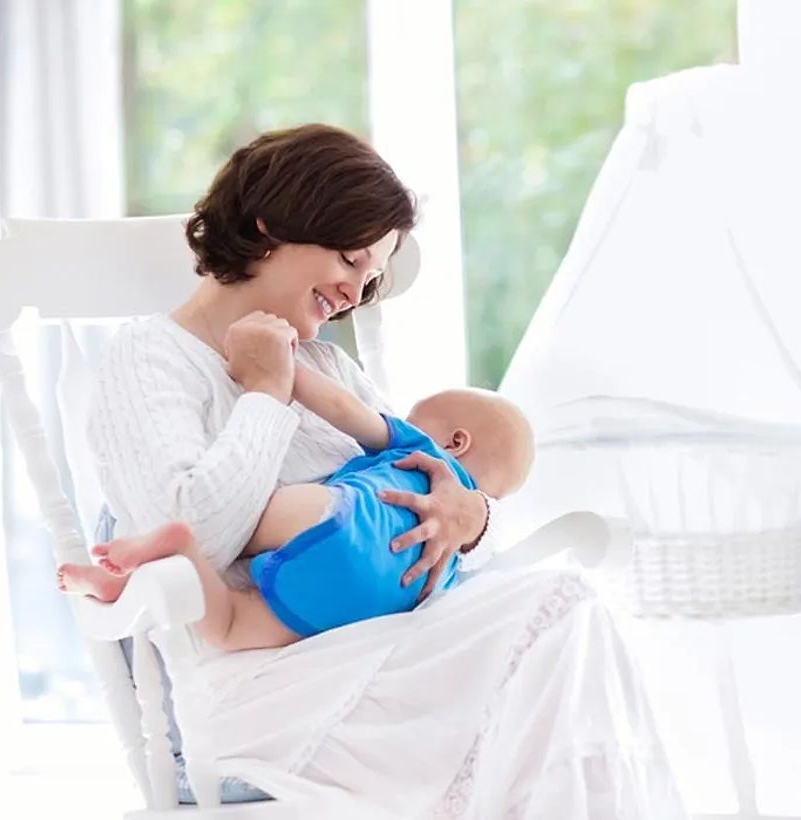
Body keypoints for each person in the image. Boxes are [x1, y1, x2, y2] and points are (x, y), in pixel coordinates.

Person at [85, 124, 685, 817]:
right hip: (261, 679)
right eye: (349, 258)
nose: (354, 291)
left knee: (567, 616)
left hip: (386, 648)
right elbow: (193, 535)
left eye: (371, 278)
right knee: (557, 625)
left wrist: (473, 517)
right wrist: (262, 394)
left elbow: (407, 488)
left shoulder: (329, 367)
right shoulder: (149, 360)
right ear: (271, 224)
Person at [59, 360, 534, 649]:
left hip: (342, 514)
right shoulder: (461, 549)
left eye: (414, 416)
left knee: (232, 521)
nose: (404, 419)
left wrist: (281, 367)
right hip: (378, 600)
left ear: (455, 441)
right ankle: (174, 553)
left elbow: (348, 410)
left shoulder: (424, 455)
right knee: (229, 624)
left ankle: (156, 560)